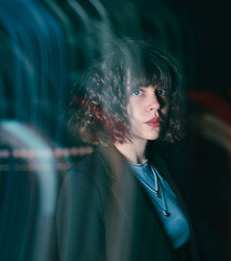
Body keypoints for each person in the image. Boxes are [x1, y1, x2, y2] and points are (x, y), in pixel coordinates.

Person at [55, 39, 198, 261]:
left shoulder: (164, 167)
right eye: (137, 92)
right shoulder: (83, 181)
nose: (156, 104)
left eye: (160, 90)